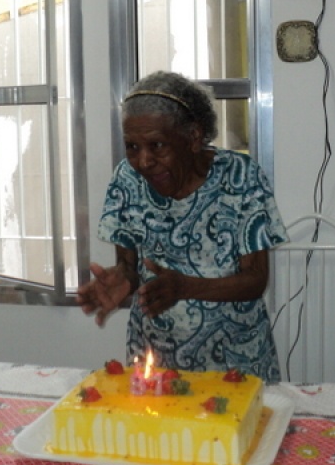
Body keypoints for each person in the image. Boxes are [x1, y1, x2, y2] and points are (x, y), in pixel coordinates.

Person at [77, 71, 288, 382]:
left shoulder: (240, 177)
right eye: (132, 146)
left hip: (236, 361)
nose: (144, 161)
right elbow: (129, 264)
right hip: (157, 360)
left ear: (192, 138)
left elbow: (255, 279)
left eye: (157, 145)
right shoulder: (127, 179)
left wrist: (185, 286)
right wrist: (122, 277)